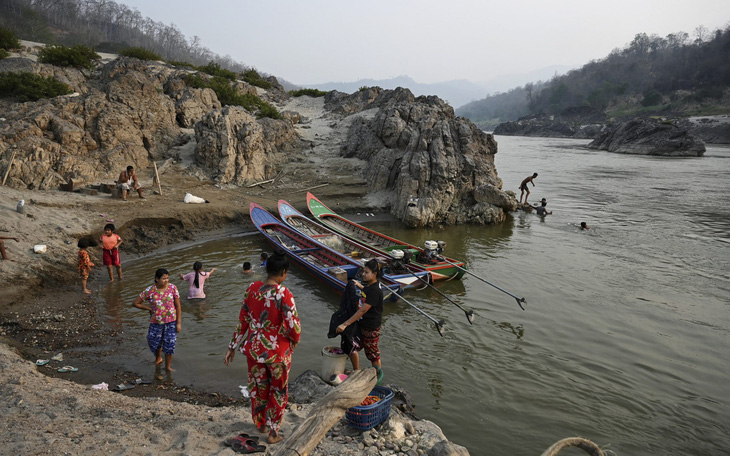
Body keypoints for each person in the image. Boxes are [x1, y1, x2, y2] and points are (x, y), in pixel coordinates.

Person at [224, 249, 301, 444]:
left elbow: (243, 321)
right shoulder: (285, 294)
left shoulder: (252, 289)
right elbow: (293, 327)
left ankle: (261, 425)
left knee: (259, 389)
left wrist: (232, 346)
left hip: (254, 351)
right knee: (278, 391)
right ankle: (273, 433)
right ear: (283, 272)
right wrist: (294, 341)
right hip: (277, 354)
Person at [336, 258, 384, 381]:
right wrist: (359, 286)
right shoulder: (370, 286)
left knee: (372, 354)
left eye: (366, 272)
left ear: (375, 274)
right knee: (351, 346)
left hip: (371, 327)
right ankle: (356, 371)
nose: (363, 274)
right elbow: (366, 291)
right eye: (363, 271)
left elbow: (362, 310)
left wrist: (345, 324)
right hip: (362, 324)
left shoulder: (375, 291)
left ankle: (377, 378)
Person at [132, 268, 182, 372]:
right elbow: (135, 303)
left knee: (170, 344)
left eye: (167, 278)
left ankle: (168, 367)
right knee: (153, 341)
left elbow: (178, 306)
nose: (166, 280)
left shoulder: (172, 288)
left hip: (171, 322)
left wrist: (179, 323)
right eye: (164, 278)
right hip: (156, 322)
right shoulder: (150, 291)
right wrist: (148, 308)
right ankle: (158, 358)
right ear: (157, 279)